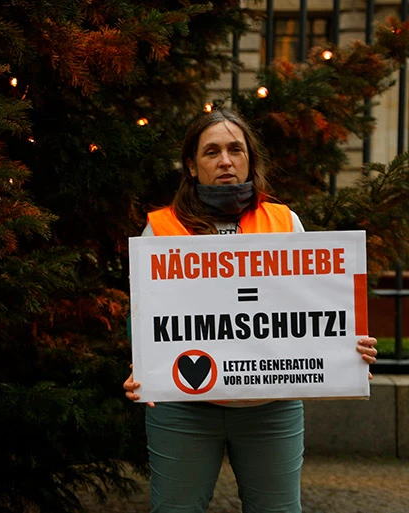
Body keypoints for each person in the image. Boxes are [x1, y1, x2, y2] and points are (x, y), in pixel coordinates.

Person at [122, 109, 378, 513]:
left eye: (234, 149)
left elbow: (310, 307)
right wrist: (143, 364)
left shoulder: (284, 221)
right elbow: (147, 313)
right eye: (211, 152)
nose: (225, 160)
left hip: (270, 411)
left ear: (249, 159)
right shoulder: (162, 228)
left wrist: (349, 346)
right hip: (184, 410)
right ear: (192, 165)